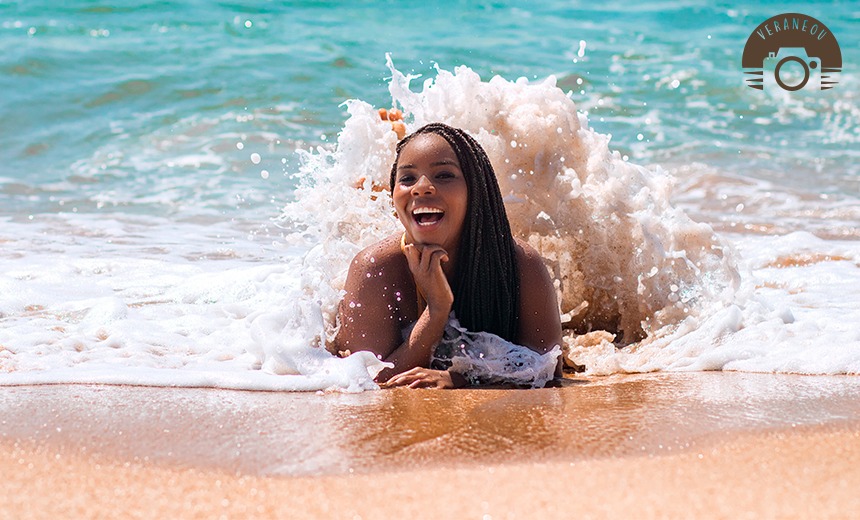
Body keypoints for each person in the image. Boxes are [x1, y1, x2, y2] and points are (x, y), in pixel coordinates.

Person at [332, 122, 562, 388]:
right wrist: (436, 310)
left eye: (444, 175)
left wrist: (463, 378)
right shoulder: (375, 269)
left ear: (475, 190)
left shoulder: (520, 264)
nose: (421, 187)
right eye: (407, 178)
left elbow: (548, 369)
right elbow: (366, 382)